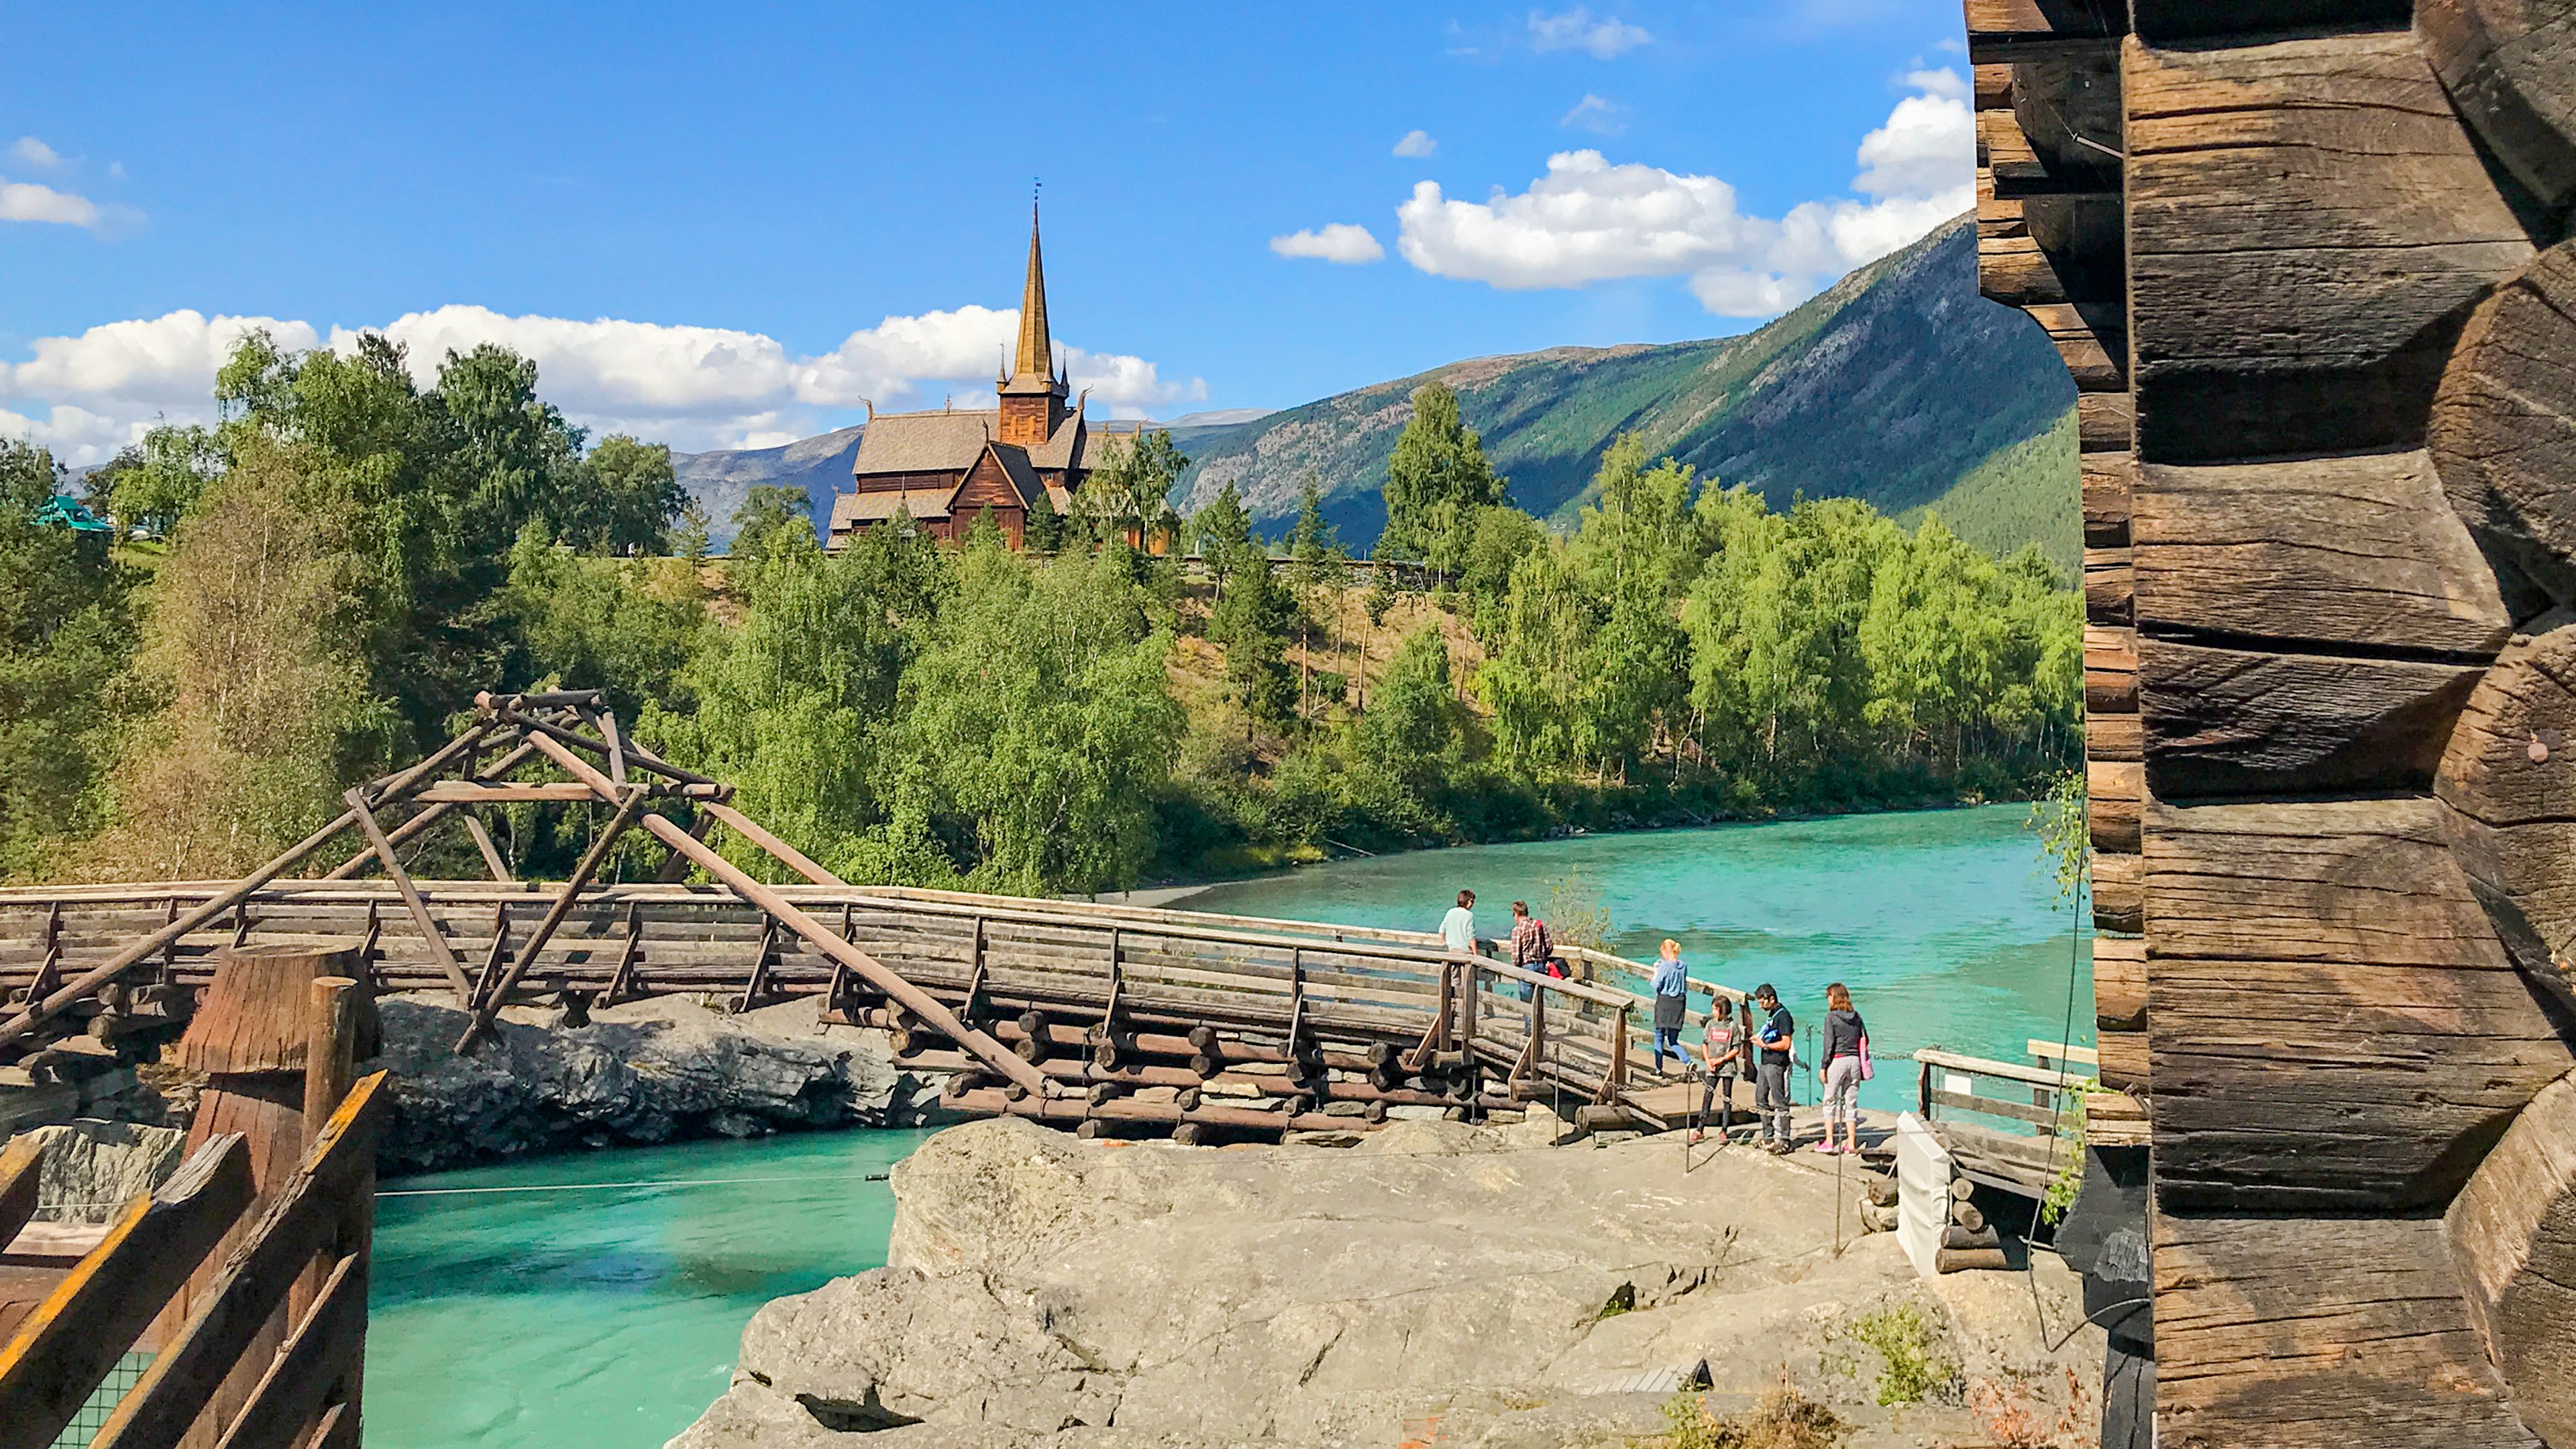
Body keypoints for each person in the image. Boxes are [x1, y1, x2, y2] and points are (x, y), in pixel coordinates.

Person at [1816, 982, 1868, 1156]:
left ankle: (1830, 1141)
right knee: (1851, 1103)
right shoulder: (1857, 1017)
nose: (1827, 1000)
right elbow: (1865, 1039)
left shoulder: (1831, 1017)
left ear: (1834, 997)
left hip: (1838, 1060)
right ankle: (1851, 1144)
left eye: (1828, 997)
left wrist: (1823, 1067)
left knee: (1829, 1101)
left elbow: (1828, 1045)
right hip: (1854, 1061)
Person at [1690, 993, 1746, 1146]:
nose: (1713, 1012)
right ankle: (1700, 1129)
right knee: (1707, 1097)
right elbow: (1704, 1043)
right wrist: (1708, 1061)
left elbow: (1736, 1049)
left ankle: (1724, 1130)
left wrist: (1721, 1060)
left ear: (1722, 1010)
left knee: (1727, 1098)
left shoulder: (1732, 1026)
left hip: (1727, 1067)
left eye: (1715, 1009)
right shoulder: (1710, 1025)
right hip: (1712, 1067)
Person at [1752, 983, 1796, 1152]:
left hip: (1777, 1063)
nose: (1761, 1005)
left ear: (1772, 998)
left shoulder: (1783, 1016)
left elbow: (1786, 1043)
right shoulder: (1772, 1015)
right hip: (1765, 1062)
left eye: (1763, 1002)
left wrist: (1766, 1046)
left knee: (1780, 1102)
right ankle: (1768, 1135)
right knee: (1760, 1098)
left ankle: (1784, 1139)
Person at [1649, 939, 1688, 1073]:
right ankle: (1688, 1061)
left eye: (1662, 953)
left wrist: (1655, 974)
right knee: (1673, 1040)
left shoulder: (1665, 966)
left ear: (1666, 951)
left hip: (1665, 1002)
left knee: (1659, 1036)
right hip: (1679, 1003)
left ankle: (1658, 1069)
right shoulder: (1683, 966)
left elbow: (1656, 985)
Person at [1507, 900, 1552, 1001]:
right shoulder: (1539, 925)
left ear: (1516, 914)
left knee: (1527, 1002)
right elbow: (1549, 946)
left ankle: (1528, 1017)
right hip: (1541, 965)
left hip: (1526, 966)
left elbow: (1516, 954)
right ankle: (1538, 1017)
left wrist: (1517, 965)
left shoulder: (1518, 930)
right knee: (1538, 1000)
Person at [1440, 890, 1477, 956]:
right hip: (1465, 951)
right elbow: (1471, 937)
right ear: (1468, 902)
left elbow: (1441, 931)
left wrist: (1448, 942)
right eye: (1472, 901)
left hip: (1452, 950)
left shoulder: (1450, 912)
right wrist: (1476, 954)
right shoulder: (1469, 915)